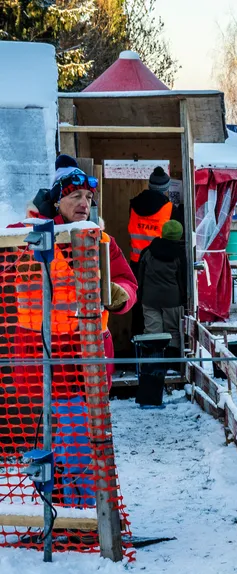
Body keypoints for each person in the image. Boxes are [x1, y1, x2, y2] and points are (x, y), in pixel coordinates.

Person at [11, 164, 139, 506]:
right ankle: (75, 513)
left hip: (86, 360)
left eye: (88, 197)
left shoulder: (100, 239)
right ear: (56, 200)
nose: (84, 202)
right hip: (43, 360)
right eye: (74, 196)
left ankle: (80, 514)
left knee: (80, 441)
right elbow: (12, 251)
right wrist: (38, 218)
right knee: (60, 444)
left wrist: (121, 294)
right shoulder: (28, 234)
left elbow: (128, 281)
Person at [135, 218, 188, 363]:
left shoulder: (148, 251)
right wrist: (183, 298)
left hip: (150, 298)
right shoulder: (180, 254)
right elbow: (182, 279)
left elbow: (140, 276)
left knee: (153, 332)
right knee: (173, 332)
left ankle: (154, 363)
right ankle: (173, 364)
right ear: (179, 235)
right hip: (172, 299)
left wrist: (140, 296)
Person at [127, 166, 177, 265]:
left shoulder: (134, 204)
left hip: (136, 261)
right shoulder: (170, 209)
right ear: (166, 187)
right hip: (158, 263)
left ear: (150, 185)